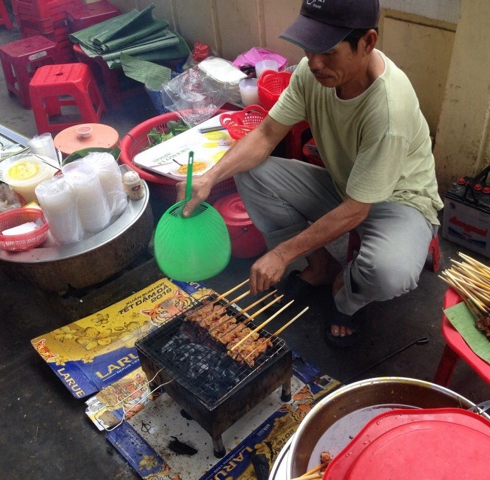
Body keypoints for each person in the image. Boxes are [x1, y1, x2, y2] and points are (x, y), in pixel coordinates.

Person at [177, 0, 443, 347]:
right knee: (251, 173)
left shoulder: (389, 109)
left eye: (328, 51)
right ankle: (321, 267)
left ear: (367, 42)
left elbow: (356, 210)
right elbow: (267, 134)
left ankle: (346, 296)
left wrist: (282, 254)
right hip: (345, 185)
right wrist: (210, 176)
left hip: (400, 201)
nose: (314, 62)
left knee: (389, 272)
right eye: (310, 47)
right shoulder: (311, 73)